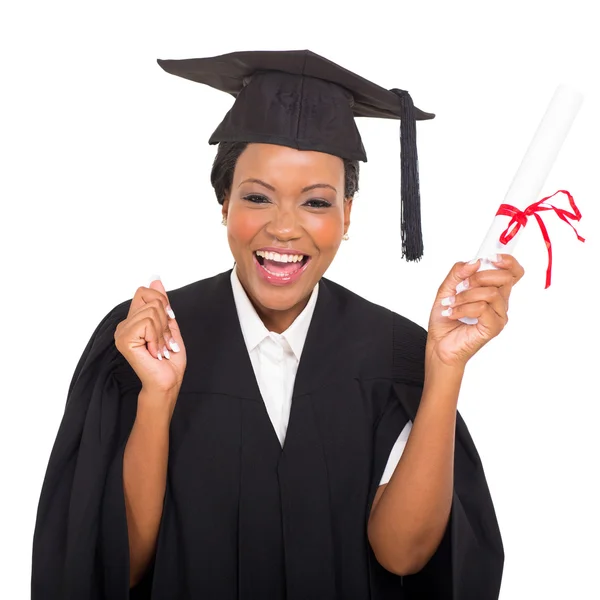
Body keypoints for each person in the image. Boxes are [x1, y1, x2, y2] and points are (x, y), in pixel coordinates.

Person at [31, 50, 523, 599]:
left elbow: (403, 554)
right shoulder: (145, 344)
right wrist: (156, 398)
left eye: (316, 201)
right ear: (223, 203)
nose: (284, 228)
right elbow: (113, 571)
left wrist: (444, 370)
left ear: (347, 215)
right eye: (258, 197)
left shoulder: (395, 355)